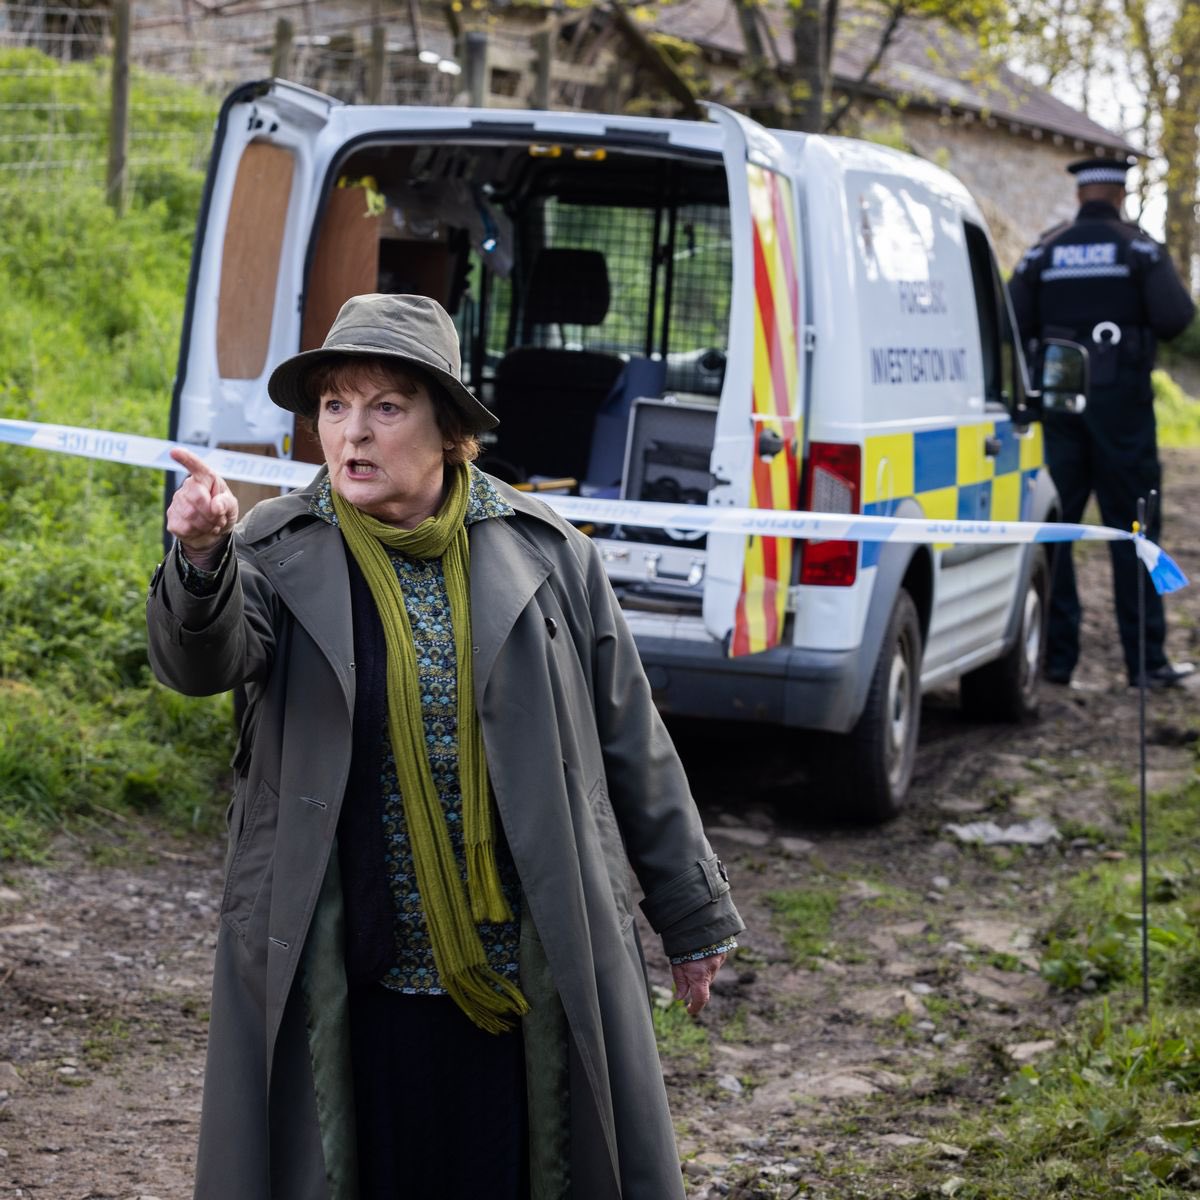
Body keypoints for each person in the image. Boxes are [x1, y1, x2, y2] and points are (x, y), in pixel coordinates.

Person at [146, 292, 743, 1200]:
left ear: (449, 426)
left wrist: (689, 915)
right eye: (335, 407)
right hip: (348, 970)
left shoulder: (550, 556)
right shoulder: (274, 548)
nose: (352, 434)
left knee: (514, 1166)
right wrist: (199, 563)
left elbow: (633, 739)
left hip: (516, 972)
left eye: (385, 407)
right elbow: (202, 660)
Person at [1008, 156, 1197, 689]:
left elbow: (1011, 320)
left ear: (1079, 194)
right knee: (1136, 529)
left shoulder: (1044, 250)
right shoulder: (1137, 248)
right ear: (1119, 194)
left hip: (1060, 409)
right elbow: (1176, 317)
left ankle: (1055, 661)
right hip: (1123, 413)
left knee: (1057, 528)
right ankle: (1145, 663)